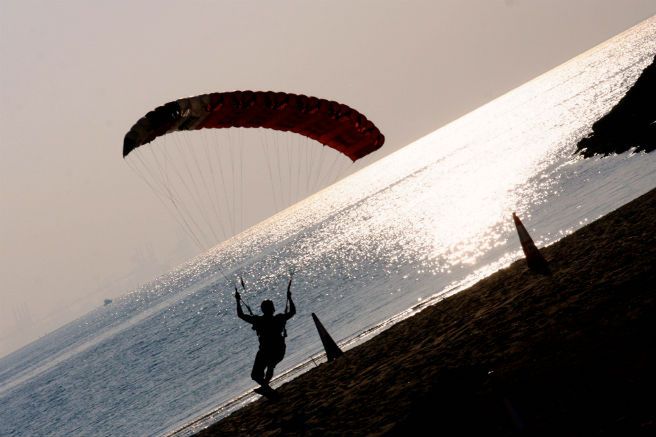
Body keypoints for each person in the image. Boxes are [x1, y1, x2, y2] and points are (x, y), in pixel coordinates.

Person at [235, 274, 296, 388]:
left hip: (268, 351)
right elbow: (292, 312)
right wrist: (290, 298)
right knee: (268, 366)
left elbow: (241, 315)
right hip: (278, 350)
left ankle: (265, 386)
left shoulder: (259, 320)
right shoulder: (279, 318)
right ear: (273, 309)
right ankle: (266, 386)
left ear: (262, 309)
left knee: (258, 373)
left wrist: (238, 301)